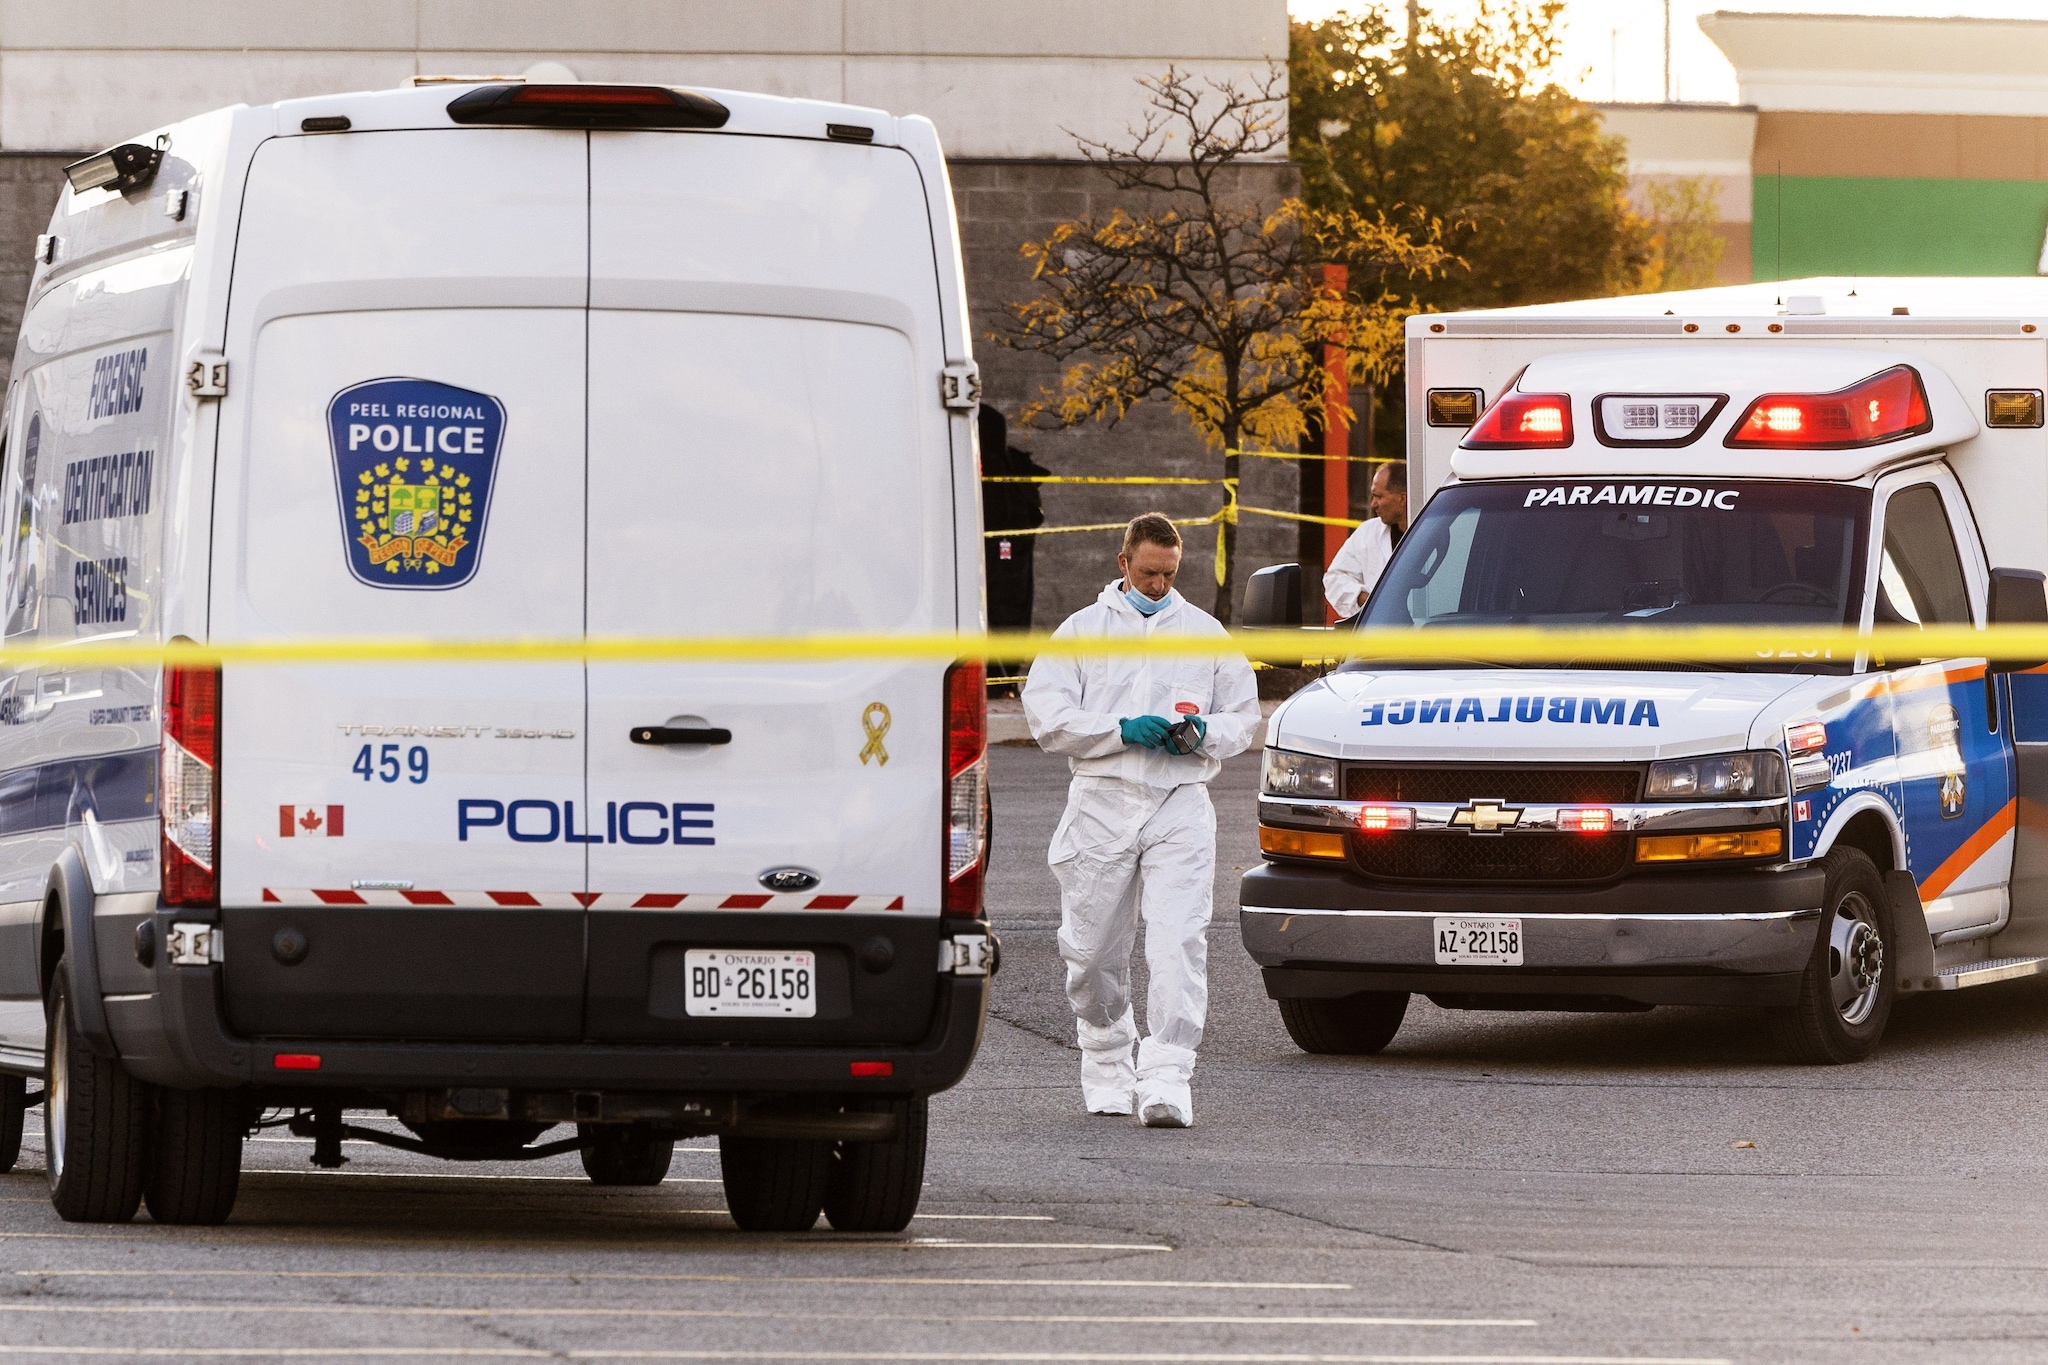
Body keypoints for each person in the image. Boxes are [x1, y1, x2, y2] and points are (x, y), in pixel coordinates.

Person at [1021, 514, 1261, 1128]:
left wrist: (1205, 734)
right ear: (1123, 562)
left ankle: (1167, 1076)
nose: (1158, 585)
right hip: (1102, 801)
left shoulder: (1203, 634)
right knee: (1094, 949)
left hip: (1179, 802)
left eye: (1169, 575)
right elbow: (1046, 716)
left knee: (1179, 940)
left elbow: (1243, 715)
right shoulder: (1083, 632)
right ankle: (1105, 1056)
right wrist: (1117, 729)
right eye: (1149, 572)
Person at [1322, 460, 1410, 619]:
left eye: (1378, 496)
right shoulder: (1367, 533)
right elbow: (1334, 579)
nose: (1373, 504)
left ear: (1402, 499)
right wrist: (1367, 600)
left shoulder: (1435, 533)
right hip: (1378, 636)